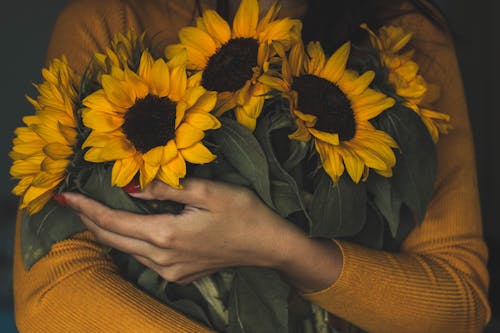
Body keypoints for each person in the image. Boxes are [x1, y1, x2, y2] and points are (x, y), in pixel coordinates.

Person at [13, 0, 490, 332]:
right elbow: (54, 293)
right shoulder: (111, 20)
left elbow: (458, 306)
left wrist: (279, 248)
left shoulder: (404, 36)